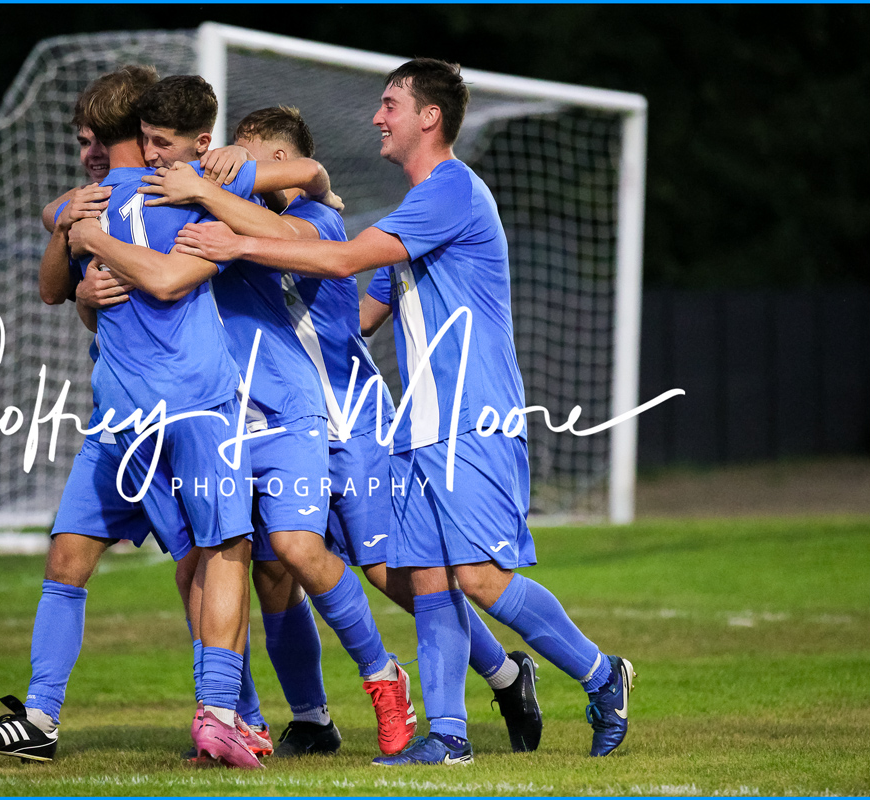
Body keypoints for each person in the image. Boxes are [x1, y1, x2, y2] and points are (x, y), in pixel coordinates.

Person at [173, 58, 635, 765]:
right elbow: (359, 313)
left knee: (477, 576)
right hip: (417, 422)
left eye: (390, 104)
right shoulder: (417, 213)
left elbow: (341, 256)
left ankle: (603, 675)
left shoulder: (450, 191)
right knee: (425, 577)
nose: (376, 117)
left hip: (473, 414)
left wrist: (238, 243)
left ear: (429, 117)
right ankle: (447, 735)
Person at [75, 78, 417, 759]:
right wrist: (86, 285)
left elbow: (310, 177)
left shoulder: (253, 205)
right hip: (220, 418)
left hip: (299, 409)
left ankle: (390, 678)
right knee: (212, 569)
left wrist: (216, 183)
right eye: (144, 143)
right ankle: (249, 718)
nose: (152, 156)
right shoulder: (167, 202)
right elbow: (112, 281)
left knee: (304, 550)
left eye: (164, 145)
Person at [0, 65, 264, 770]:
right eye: (82, 141)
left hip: (196, 407)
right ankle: (40, 717)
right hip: (122, 420)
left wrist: (236, 160)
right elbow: (50, 280)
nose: (89, 152)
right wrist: (78, 257)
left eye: (101, 139)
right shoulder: (96, 200)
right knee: (72, 556)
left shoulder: (190, 188)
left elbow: (288, 180)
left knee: (215, 558)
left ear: (147, 138)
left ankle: (229, 714)